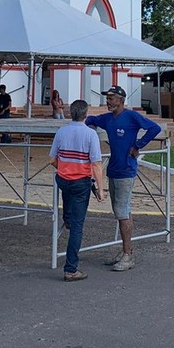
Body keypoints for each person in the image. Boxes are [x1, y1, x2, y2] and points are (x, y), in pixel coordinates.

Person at [87, 85, 161, 271]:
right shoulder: (108, 118)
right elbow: (92, 119)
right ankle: (126, 250)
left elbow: (154, 128)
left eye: (111, 98)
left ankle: (128, 255)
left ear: (121, 99)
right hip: (113, 169)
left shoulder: (131, 116)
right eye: (108, 97)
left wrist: (138, 145)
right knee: (121, 211)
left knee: (122, 212)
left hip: (126, 170)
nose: (108, 101)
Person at [49, 99, 105, 282]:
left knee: (69, 203)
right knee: (78, 227)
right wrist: (101, 189)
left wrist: (64, 167)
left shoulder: (61, 131)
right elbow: (96, 164)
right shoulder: (90, 134)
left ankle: (67, 219)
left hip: (63, 179)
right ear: (86, 115)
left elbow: (52, 159)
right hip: (81, 181)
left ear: (70, 113)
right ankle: (71, 268)